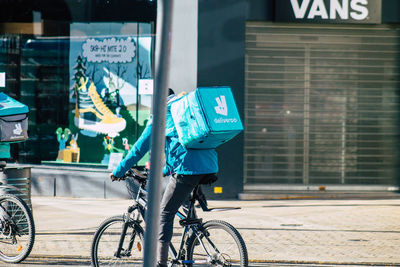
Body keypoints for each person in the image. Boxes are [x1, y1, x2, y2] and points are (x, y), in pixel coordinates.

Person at [110, 88, 218, 267]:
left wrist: (119, 171)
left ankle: (161, 263)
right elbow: (179, 152)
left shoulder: (162, 115)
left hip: (188, 169)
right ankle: (194, 233)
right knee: (180, 196)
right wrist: (159, 173)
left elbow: (139, 149)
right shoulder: (185, 111)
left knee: (164, 214)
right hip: (210, 166)